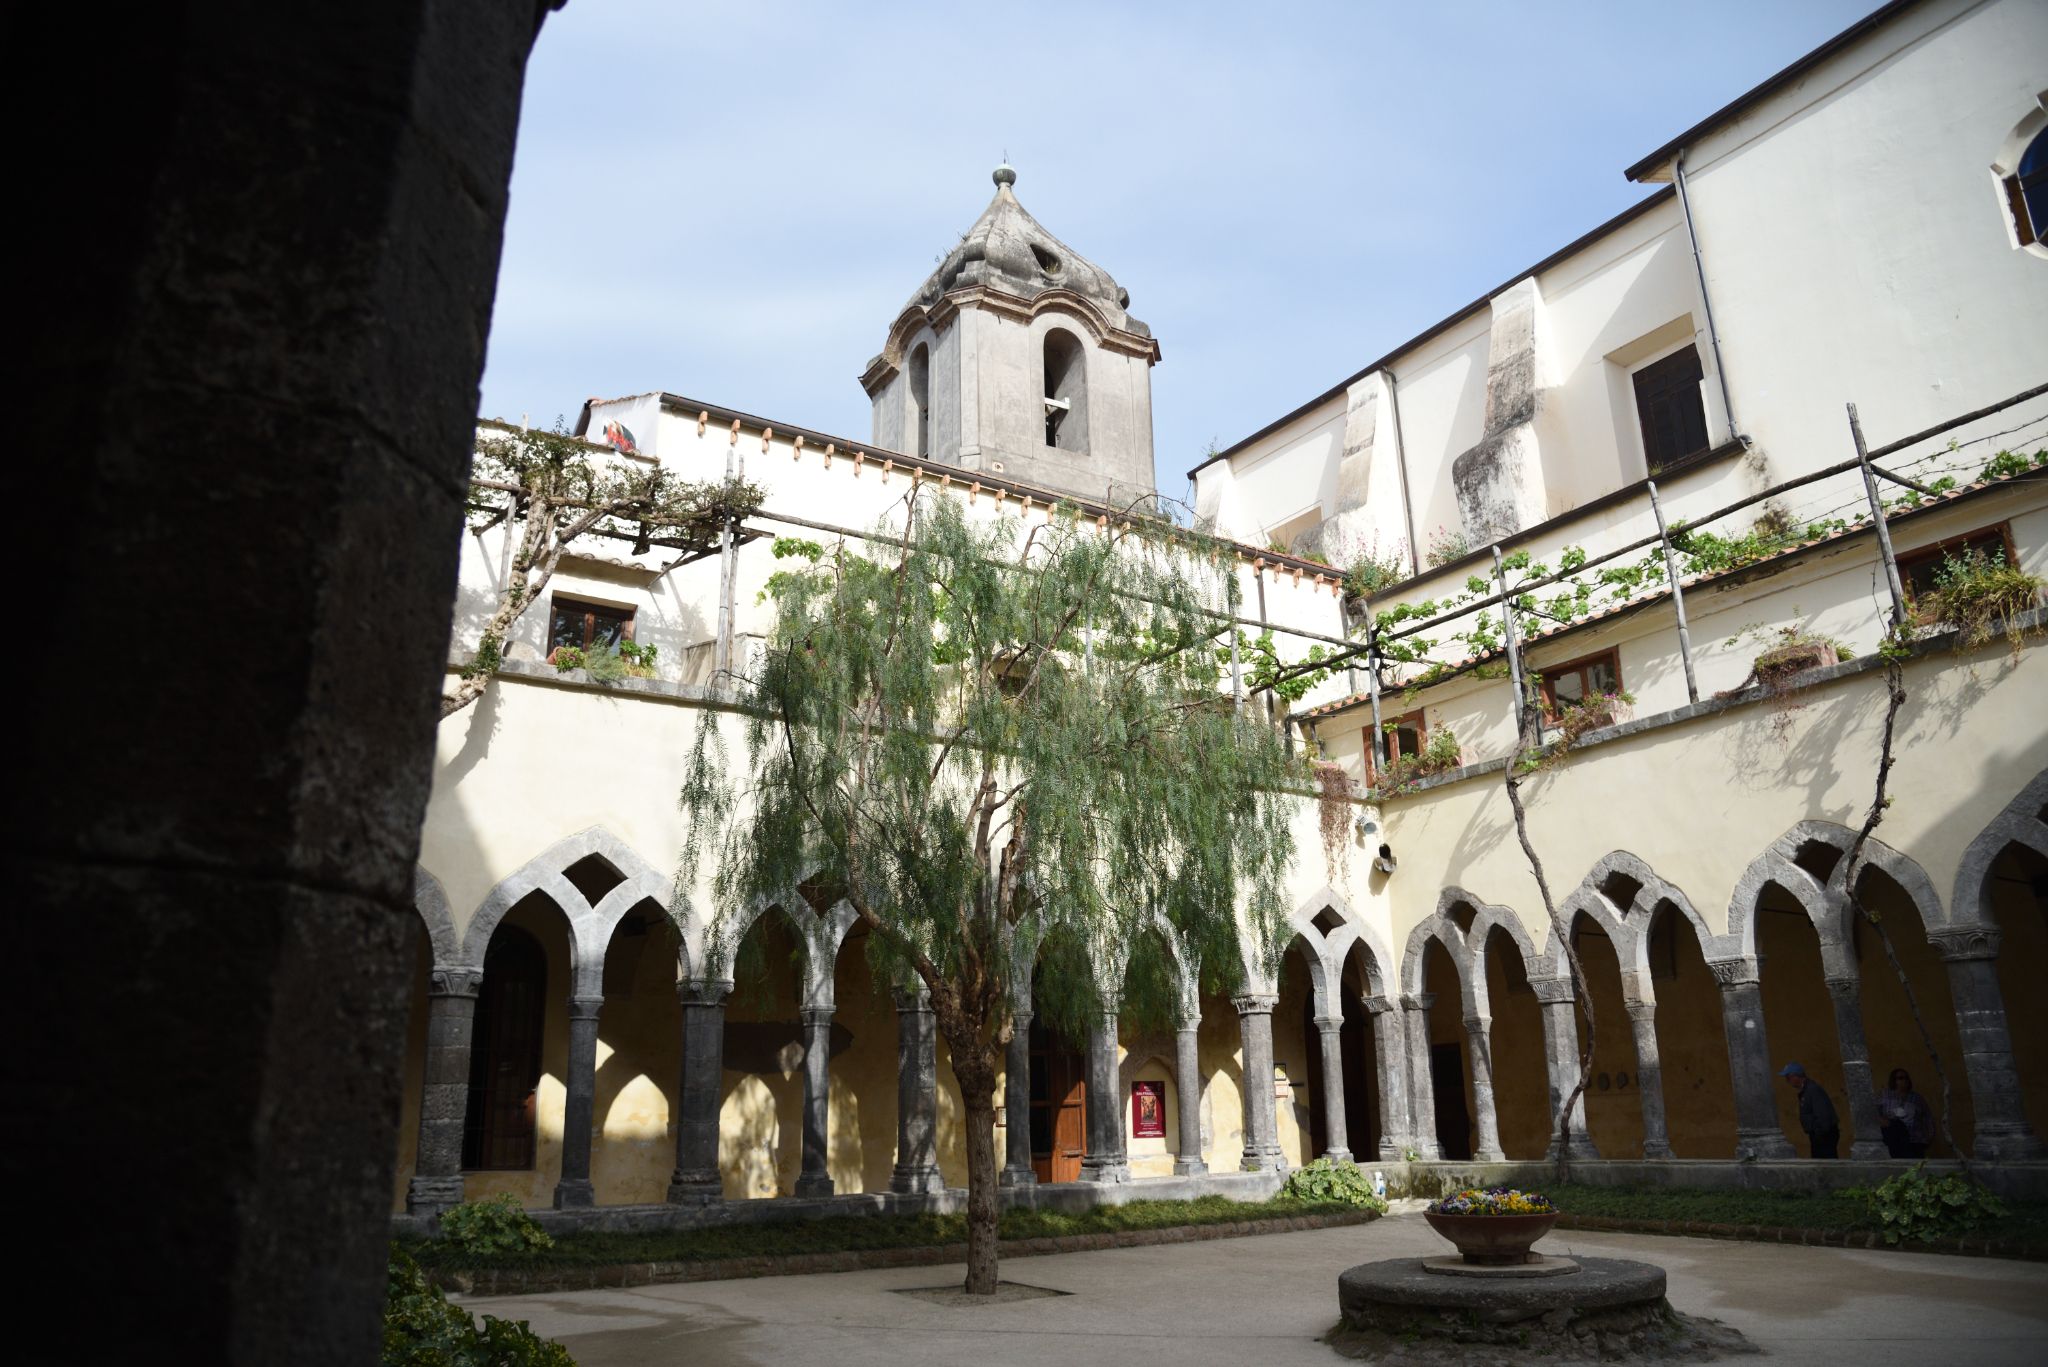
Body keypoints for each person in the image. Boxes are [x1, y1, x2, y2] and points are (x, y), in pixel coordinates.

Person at [1779, 1061, 1839, 1159]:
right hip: (1819, 1135)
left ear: (1796, 1076)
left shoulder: (1812, 1090)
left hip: (1824, 1136)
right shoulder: (1806, 1090)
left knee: (1825, 1163)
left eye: (1788, 1077)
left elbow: (1822, 1115)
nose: (1787, 1081)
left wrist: (1818, 1134)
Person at [1877, 1068, 1934, 1158]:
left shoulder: (1917, 1098)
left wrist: (1929, 1137)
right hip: (1892, 1141)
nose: (1905, 1080)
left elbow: (1927, 1117)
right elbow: (1872, 1113)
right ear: (1894, 1080)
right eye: (1900, 1078)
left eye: (1906, 1078)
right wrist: (1882, 1121)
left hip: (1914, 1140)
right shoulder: (1885, 1095)